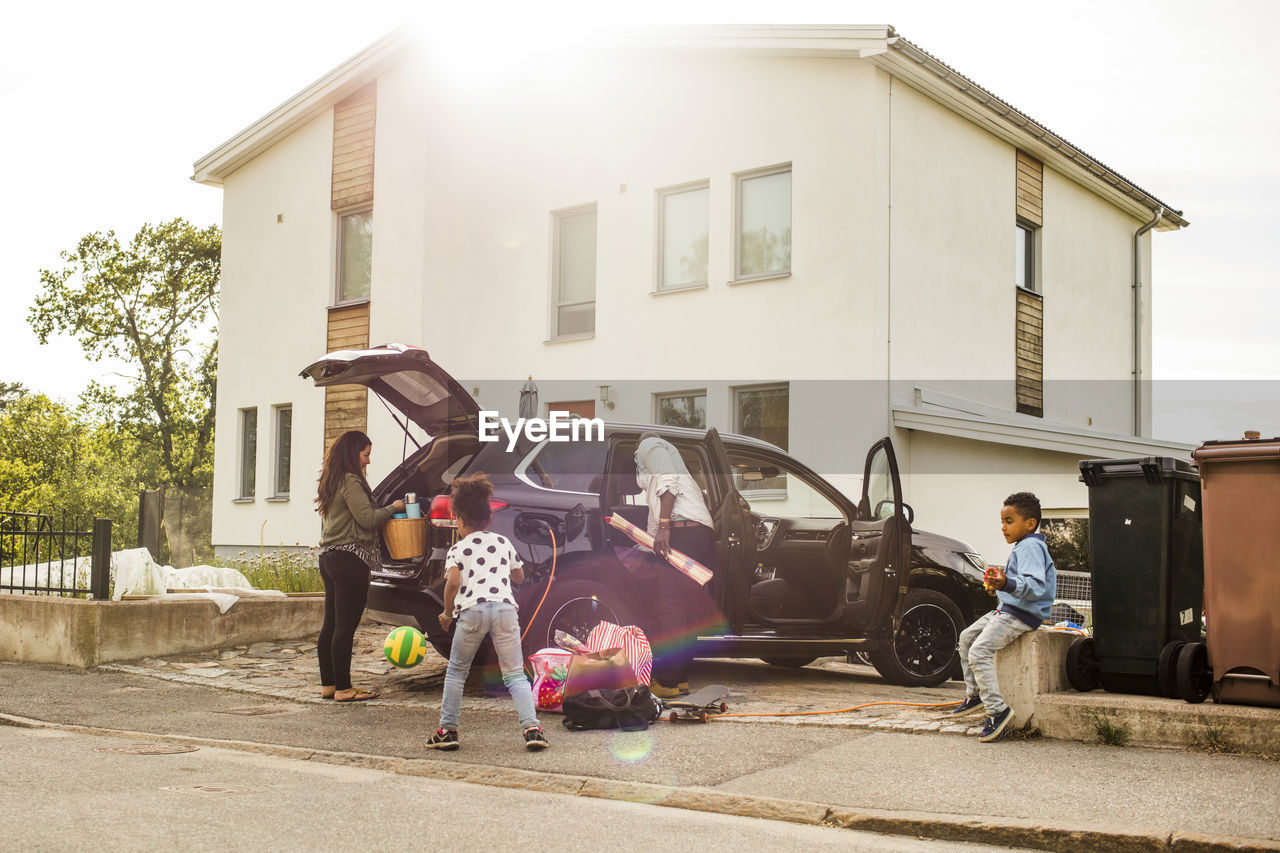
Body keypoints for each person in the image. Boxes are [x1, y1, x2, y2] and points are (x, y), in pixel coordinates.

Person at [427, 472, 548, 751]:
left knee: (457, 672)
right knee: (515, 674)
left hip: (472, 611)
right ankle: (532, 729)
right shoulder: (503, 543)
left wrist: (447, 613)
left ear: (457, 518)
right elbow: (518, 576)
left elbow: (453, 583)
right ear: (490, 517)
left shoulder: (457, 549)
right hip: (505, 609)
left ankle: (447, 731)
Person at [951, 491, 1057, 742]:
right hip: (1007, 609)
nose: (1003, 528)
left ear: (1029, 524)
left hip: (1020, 614)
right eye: (1002, 522)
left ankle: (997, 711)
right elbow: (1016, 585)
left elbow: (1036, 587)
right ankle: (975, 694)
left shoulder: (1031, 546)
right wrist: (999, 586)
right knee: (966, 638)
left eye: (1009, 521)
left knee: (979, 651)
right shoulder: (1025, 546)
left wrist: (1007, 583)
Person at [315, 430, 405, 702]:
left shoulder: (331, 480)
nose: (368, 461)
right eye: (365, 455)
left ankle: (329, 685)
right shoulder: (351, 480)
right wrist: (393, 508)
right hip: (349, 559)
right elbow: (366, 519)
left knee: (330, 624)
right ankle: (344, 689)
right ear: (352, 454)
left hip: (329, 556)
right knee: (345, 625)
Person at [634, 432, 716, 700]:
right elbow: (655, 507)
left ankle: (666, 680)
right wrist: (648, 544)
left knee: (671, 605)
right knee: (689, 609)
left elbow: (669, 482)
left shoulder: (649, 445)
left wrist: (664, 528)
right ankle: (680, 680)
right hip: (697, 532)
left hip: (681, 530)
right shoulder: (673, 457)